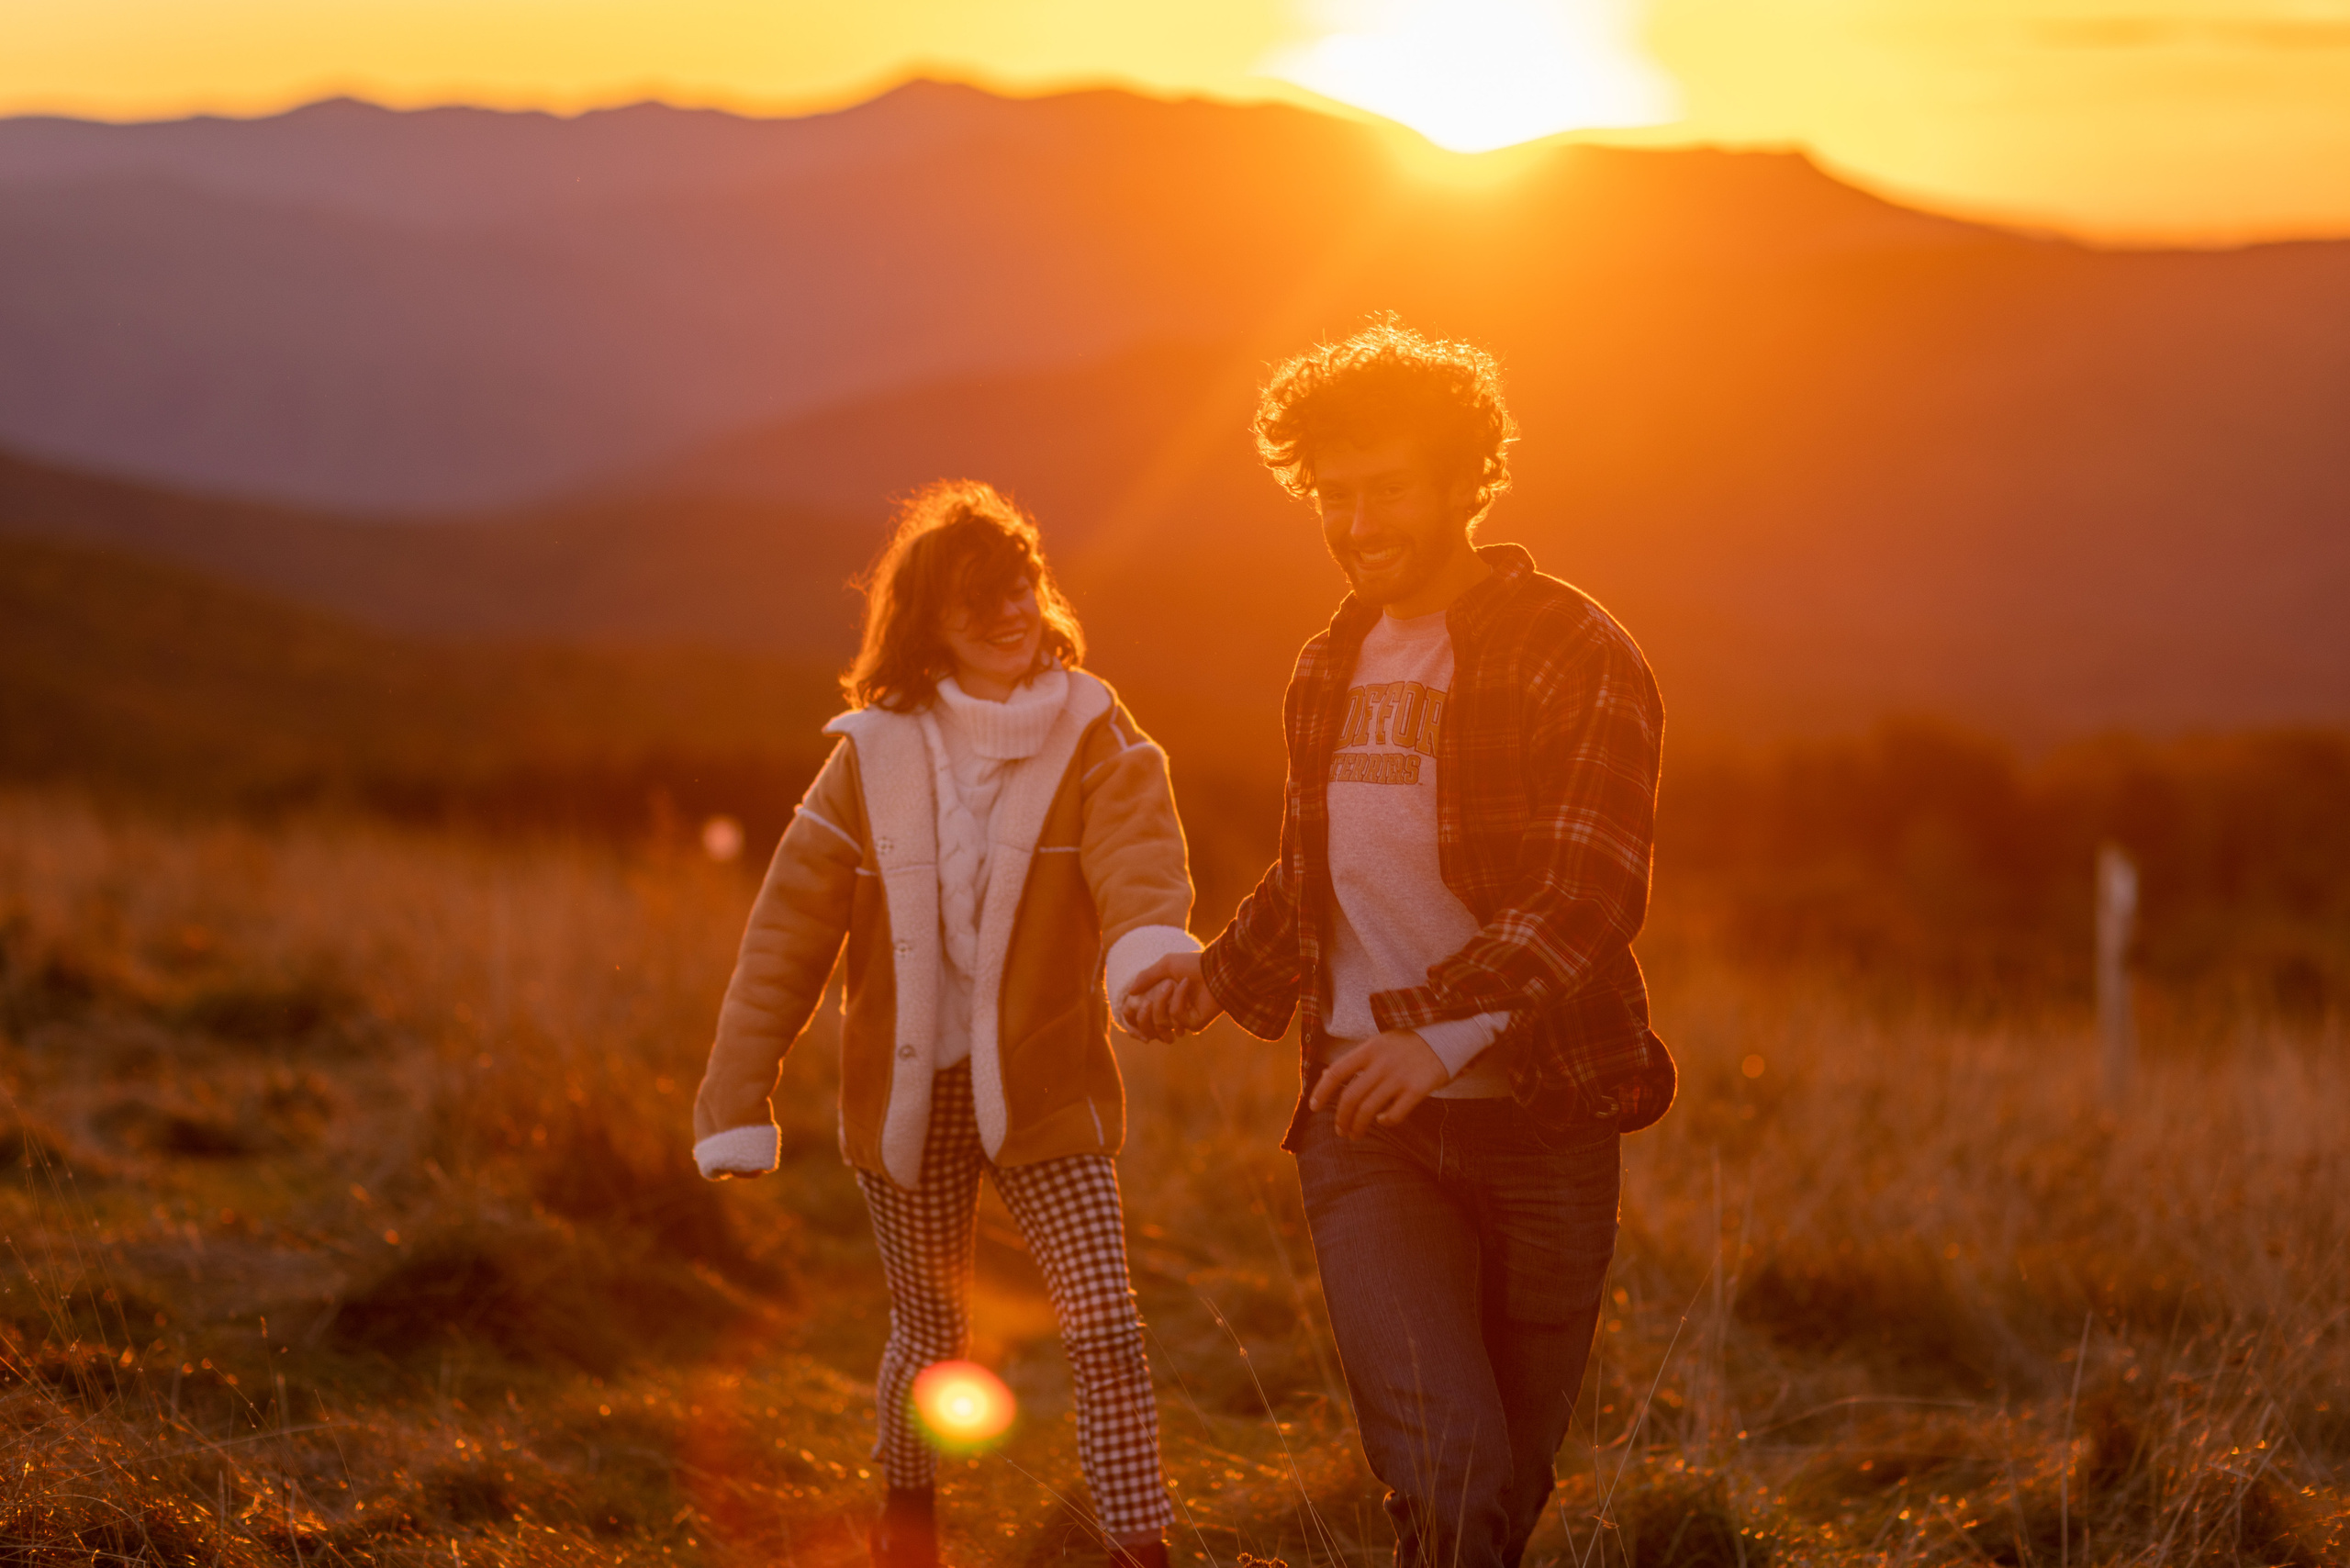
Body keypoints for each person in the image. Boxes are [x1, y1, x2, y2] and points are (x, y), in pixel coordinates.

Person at [1125, 317, 1678, 1568]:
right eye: (1334, 496)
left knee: (1498, 1501)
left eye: (1387, 492)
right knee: (1453, 1467)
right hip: (1368, 1129)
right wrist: (1209, 980)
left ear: (1464, 485)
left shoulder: (1575, 651)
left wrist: (1442, 1032)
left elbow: (1589, 890)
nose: (1360, 523)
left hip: (1547, 1125)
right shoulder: (1327, 666)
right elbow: (1312, 875)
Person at [690, 480, 1198, 1568]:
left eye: (1022, 585)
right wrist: (737, 1098)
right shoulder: (867, 756)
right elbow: (786, 935)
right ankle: (907, 1530)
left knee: (1105, 1320)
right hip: (908, 1096)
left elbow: (1138, 853)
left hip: (1048, 1086)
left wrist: (1148, 950)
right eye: (981, 599)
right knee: (930, 1336)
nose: (1014, 613)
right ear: (928, 622)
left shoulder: (1092, 726)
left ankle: (1135, 1545)